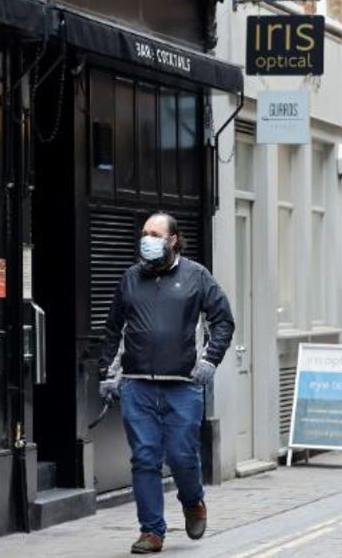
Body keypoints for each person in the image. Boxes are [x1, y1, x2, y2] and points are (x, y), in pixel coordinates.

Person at [98, 212, 235, 554]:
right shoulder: (130, 279)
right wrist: (106, 373)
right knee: (144, 458)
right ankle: (151, 532)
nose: (148, 239)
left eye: (155, 234)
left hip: (183, 385)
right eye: (145, 233)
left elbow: (223, 321)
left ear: (173, 240)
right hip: (137, 385)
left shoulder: (196, 276)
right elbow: (113, 329)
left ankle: (193, 501)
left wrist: (209, 361)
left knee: (181, 454)